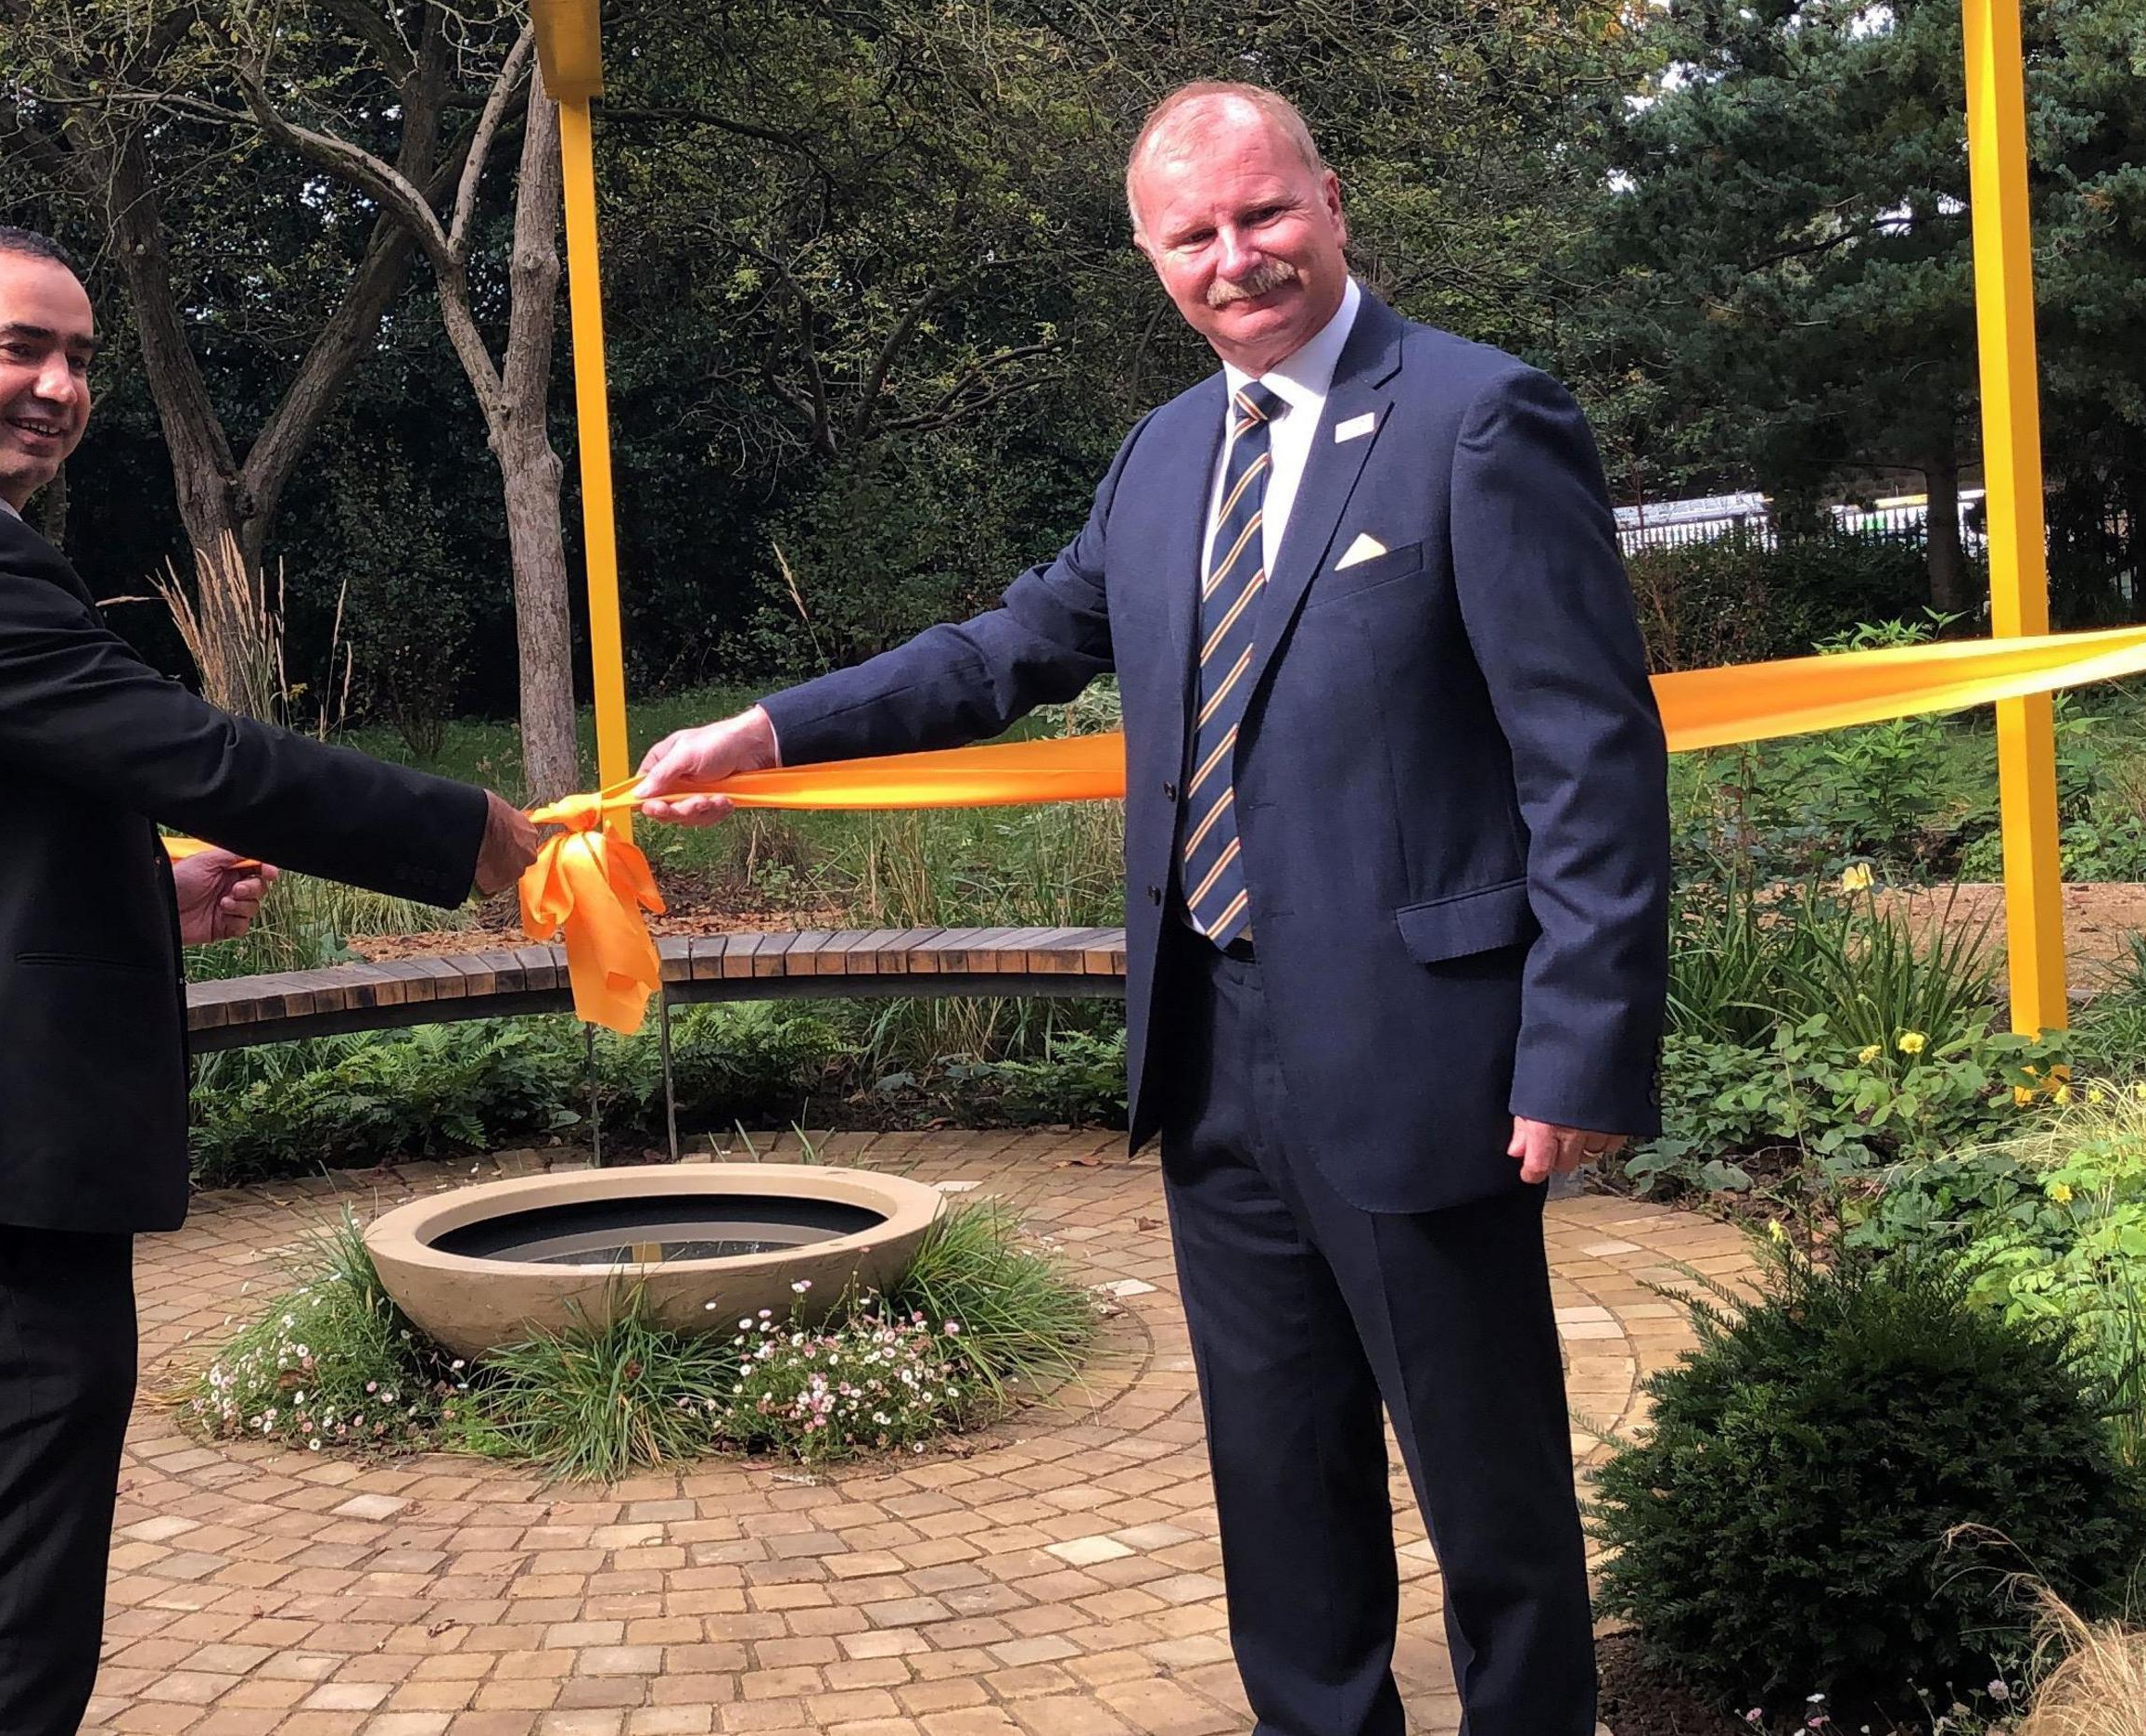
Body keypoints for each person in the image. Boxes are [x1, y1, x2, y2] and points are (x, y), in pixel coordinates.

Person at [636, 84, 1667, 1736]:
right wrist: (769, 732)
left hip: (1428, 1056)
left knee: (1489, 1493)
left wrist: (1581, 1050)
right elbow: (1005, 649)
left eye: (1261, 216)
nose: (1234, 259)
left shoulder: (1479, 417)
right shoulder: (1168, 449)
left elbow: (1593, 762)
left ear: (1330, 201)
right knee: (1277, 1473)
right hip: (1210, 1048)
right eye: (1192, 236)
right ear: (1150, 257)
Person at [0, 224, 545, 1736]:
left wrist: (149, 887)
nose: (60, 385)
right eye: (21, 347)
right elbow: (196, 753)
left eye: (79, 357)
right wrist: (467, 832)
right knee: (19, 1635)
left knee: (29, 1609)